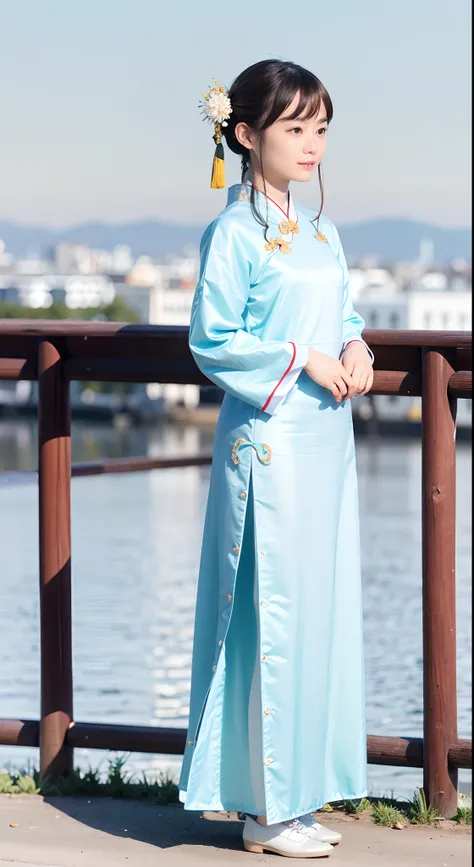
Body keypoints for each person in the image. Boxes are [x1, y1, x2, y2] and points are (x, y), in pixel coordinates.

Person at [178, 59, 375, 858]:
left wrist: (356, 343)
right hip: (268, 444)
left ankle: (295, 793)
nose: (312, 143)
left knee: (318, 614)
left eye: (321, 127)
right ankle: (264, 807)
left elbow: (344, 309)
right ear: (247, 134)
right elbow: (211, 339)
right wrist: (301, 358)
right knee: (272, 617)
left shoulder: (323, 231)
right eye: (295, 127)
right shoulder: (232, 231)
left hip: (325, 442)